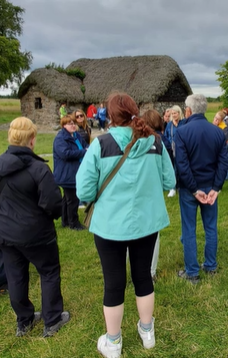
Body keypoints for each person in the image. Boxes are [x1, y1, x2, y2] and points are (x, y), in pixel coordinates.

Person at [76, 93, 175, 357]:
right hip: (146, 222)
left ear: (109, 116)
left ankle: (114, 341)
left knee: (114, 282)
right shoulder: (155, 142)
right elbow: (169, 181)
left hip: (111, 223)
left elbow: (84, 190)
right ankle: (146, 330)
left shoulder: (101, 144)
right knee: (143, 276)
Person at [0, 117, 69, 338]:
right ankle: (52, 319)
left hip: (6, 233)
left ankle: (24, 320)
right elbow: (53, 203)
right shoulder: (39, 169)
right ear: (32, 139)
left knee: (15, 275)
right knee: (48, 272)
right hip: (36, 233)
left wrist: (3, 211)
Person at [174, 94, 228, 284]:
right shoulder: (217, 132)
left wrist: (196, 189)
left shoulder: (182, 132)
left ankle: (192, 272)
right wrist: (215, 187)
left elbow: (182, 164)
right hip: (206, 186)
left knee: (189, 229)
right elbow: (224, 163)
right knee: (210, 227)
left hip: (192, 188)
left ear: (188, 111)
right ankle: (210, 266)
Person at [141, 109, 174, 280]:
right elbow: (170, 180)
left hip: (131, 197)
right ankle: (150, 273)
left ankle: (123, 272)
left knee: (127, 236)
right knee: (153, 235)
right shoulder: (158, 142)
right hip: (152, 196)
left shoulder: (128, 142)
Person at [53, 114, 88, 231]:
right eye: (70, 123)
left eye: (73, 123)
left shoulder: (76, 135)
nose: (73, 125)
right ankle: (74, 223)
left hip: (75, 172)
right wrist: (84, 152)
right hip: (67, 173)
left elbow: (85, 145)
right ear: (63, 126)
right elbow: (65, 154)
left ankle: (65, 220)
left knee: (67, 199)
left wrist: (87, 149)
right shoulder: (60, 138)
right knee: (72, 199)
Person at [163, 105, 185, 197]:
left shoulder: (184, 123)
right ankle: (172, 188)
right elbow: (166, 135)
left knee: (181, 168)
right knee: (172, 168)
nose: (173, 115)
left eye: (175, 113)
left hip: (182, 149)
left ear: (179, 113)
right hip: (172, 149)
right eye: (172, 113)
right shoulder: (169, 125)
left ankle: (181, 187)